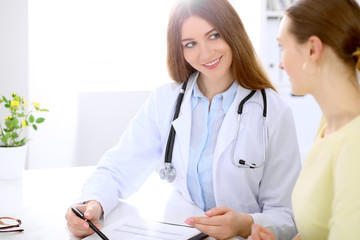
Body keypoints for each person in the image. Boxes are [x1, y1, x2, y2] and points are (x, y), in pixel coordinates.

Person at [65, 0, 301, 239]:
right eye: (190, 44)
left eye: (214, 35)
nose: (206, 53)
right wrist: (93, 204)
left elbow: (286, 215)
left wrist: (245, 224)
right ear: (180, 50)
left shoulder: (272, 110)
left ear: (233, 32)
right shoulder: (165, 101)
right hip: (180, 230)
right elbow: (117, 169)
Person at [248, 0, 360, 239]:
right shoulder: (328, 125)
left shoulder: (355, 144)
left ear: (312, 49)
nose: (280, 63)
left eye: (282, 47)